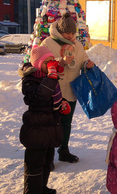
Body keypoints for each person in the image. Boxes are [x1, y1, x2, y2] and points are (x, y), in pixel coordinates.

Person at [42, 12, 95, 163]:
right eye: (68, 32)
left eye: (73, 32)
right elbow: (43, 65)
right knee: (51, 124)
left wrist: (87, 64)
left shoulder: (77, 45)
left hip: (71, 91)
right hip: (54, 91)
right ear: (60, 30)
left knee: (66, 123)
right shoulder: (48, 43)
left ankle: (64, 150)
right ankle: (48, 156)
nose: (71, 36)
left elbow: (83, 60)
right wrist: (61, 61)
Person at [19, 46, 71, 194]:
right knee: (35, 166)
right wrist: (51, 76)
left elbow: (53, 97)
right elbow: (40, 96)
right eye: (46, 62)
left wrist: (62, 103)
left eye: (52, 61)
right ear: (37, 63)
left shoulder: (48, 77)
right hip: (36, 130)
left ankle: (42, 188)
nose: (51, 65)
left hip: (49, 128)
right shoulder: (30, 79)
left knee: (47, 163)